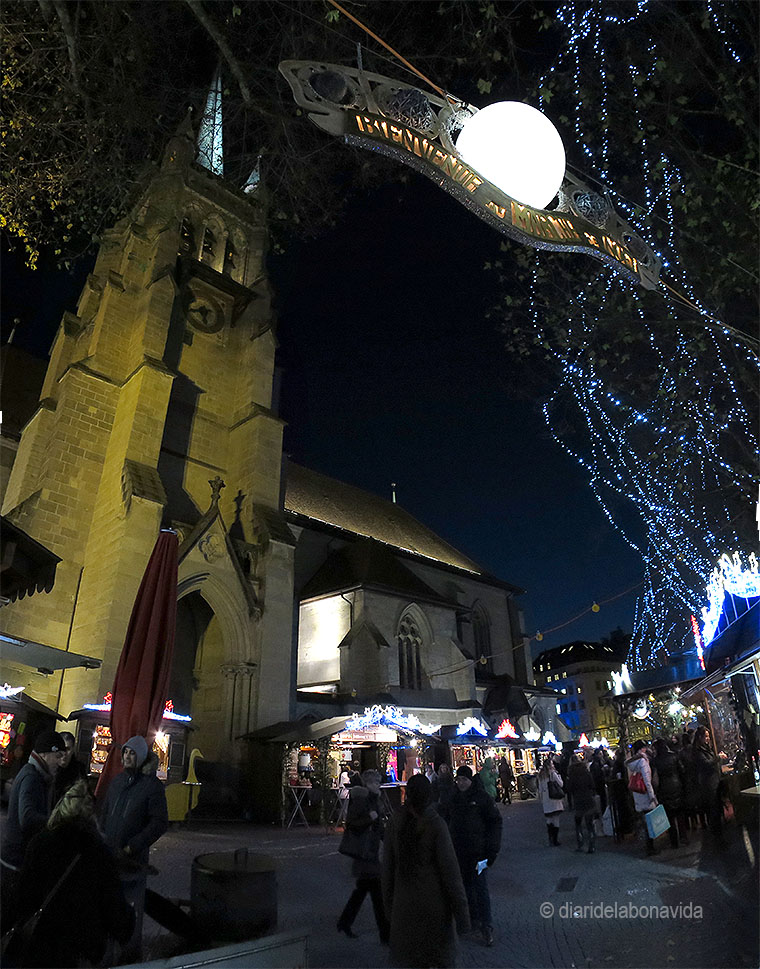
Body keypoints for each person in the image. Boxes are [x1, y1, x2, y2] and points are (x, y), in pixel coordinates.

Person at [9, 780, 134, 968]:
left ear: (61, 808)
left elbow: (22, 897)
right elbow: (114, 910)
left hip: (40, 948)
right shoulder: (98, 852)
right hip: (80, 953)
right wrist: (129, 919)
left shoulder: (39, 843)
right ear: (91, 814)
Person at [382, 773, 470, 967]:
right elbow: (451, 873)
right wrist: (462, 914)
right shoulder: (436, 824)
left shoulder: (395, 822)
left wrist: (389, 906)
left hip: (404, 907)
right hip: (434, 909)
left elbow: (387, 869)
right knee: (439, 960)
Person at [100, 735, 169, 962]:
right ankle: (107, 951)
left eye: (132, 753)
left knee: (130, 909)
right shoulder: (117, 782)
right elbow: (106, 814)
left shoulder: (152, 787)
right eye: (125, 753)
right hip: (110, 858)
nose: (128, 757)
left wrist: (133, 846)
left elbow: (159, 823)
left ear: (140, 757)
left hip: (132, 862)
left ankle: (129, 954)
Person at [1, 729, 66, 929]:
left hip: (15, 861)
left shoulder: (36, 774)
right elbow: (27, 818)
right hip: (16, 863)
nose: (60, 762)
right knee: (10, 921)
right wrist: (57, 821)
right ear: (45, 754)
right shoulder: (32, 777)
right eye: (58, 756)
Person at [447, 764, 502, 947]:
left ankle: (486, 926)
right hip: (460, 853)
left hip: (479, 853)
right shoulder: (453, 798)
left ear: (470, 780)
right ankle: (472, 920)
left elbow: (495, 823)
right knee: (466, 888)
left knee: (480, 888)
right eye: (459, 779)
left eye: (464, 779)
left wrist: (492, 850)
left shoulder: (482, 798)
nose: (461, 783)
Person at [337, 769, 389, 943]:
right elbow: (352, 823)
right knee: (376, 893)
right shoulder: (361, 799)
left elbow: (379, 827)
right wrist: (369, 818)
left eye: (378, 783)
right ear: (367, 784)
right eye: (375, 783)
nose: (378, 786)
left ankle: (345, 922)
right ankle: (385, 934)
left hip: (370, 851)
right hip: (364, 852)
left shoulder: (374, 800)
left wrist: (387, 838)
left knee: (364, 891)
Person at [692, 725, 724, 845]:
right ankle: (718, 839)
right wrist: (718, 758)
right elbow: (706, 763)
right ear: (699, 737)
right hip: (709, 785)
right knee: (714, 812)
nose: (708, 739)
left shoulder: (704, 748)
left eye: (708, 736)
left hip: (713, 782)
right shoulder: (697, 751)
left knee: (716, 811)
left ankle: (719, 836)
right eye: (706, 736)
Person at [626, 740, 658, 855]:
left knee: (644, 821)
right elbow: (647, 780)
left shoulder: (633, 762)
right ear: (641, 749)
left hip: (638, 794)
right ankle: (650, 847)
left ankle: (647, 845)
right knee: (649, 822)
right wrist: (652, 795)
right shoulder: (643, 761)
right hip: (645, 794)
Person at [652, 738, 685, 848]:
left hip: (664, 789)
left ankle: (674, 841)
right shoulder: (674, 756)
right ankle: (683, 837)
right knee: (680, 814)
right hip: (676, 786)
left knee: (669, 817)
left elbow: (655, 779)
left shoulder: (655, 761)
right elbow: (681, 770)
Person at [565, 755, 597, 854]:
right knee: (589, 824)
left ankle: (580, 843)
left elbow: (569, 789)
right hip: (588, 798)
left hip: (578, 800)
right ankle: (591, 846)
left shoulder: (571, 774)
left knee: (578, 823)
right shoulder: (586, 772)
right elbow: (592, 785)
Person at [53, 731, 88, 804]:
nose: (64, 753)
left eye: (67, 749)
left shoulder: (79, 770)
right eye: (61, 749)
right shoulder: (50, 768)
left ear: (73, 749)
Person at [537, 755, 564, 846]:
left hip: (546, 799)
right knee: (556, 819)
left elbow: (540, 789)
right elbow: (561, 784)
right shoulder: (553, 774)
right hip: (554, 798)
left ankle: (550, 838)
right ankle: (555, 840)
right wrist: (559, 777)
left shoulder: (540, 775)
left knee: (549, 819)